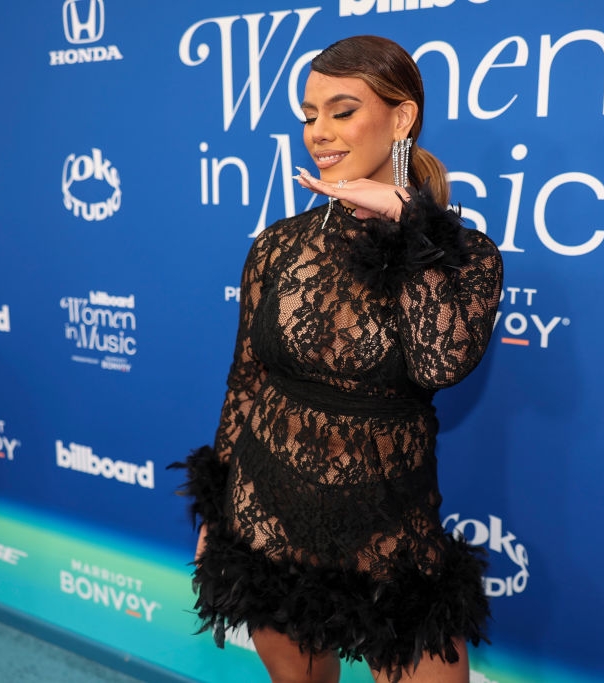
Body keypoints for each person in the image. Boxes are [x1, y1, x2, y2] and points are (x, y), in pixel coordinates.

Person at [171, 35, 504, 683]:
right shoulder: (278, 247)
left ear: (402, 118)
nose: (318, 131)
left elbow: (439, 365)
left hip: (389, 534)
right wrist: (218, 509)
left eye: (341, 110)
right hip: (267, 514)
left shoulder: (465, 257)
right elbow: (248, 380)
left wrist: (410, 223)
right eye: (308, 115)